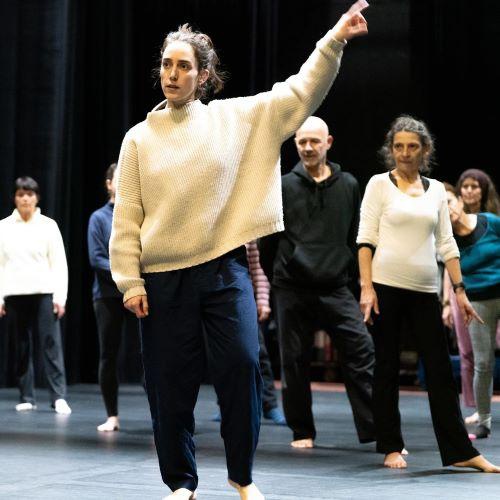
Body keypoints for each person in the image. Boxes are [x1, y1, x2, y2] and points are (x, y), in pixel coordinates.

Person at [109, 4, 370, 499]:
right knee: (168, 384)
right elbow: (127, 217)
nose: (172, 74)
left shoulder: (233, 119)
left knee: (244, 363)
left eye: (184, 66)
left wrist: (334, 40)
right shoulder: (138, 139)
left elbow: (298, 93)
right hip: (162, 279)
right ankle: (181, 482)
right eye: (166, 64)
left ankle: (242, 476)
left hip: (223, 270)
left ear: (203, 76)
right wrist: (129, 281)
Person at [357, 114, 499, 472]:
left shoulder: (436, 190)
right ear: (391, 150)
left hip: (424, 290)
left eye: (412, 147)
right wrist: (367, 287)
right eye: (399, 146)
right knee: (386, 367)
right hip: (386, 287)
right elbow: (365, 239)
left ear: (425, 150)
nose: (405, 153)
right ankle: (390, 445)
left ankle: (461, 451)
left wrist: (460, 291)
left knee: (439, 371)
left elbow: (447, 243)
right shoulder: (378, 184)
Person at [264, 116, 374, 449]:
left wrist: (354, 276)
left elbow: (356, 234)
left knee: (362, 350)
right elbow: (270, 238)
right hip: (293, 286)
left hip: (335, 284)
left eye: (314, 141)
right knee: (294, 360)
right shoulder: (283, 186)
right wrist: (282, 272)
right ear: (295, 144)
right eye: (302, 142)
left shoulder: (349, 184)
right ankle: (302, 431)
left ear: (328, 142)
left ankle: (375, 429)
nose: (308, 147)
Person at [0, 176, 71, 415]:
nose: (25, 199)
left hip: (43, 293)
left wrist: (60, 297)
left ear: (37, 197)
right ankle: (26, 396)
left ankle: (58, 396)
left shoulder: (48, 226)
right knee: (21, 346)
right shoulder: (4, 227)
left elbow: (58, 263)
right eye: (20, 194)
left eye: (29, 194)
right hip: (14, 294)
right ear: (15, 198)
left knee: (51, 345)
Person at [442, 169, 500, 425]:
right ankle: (481, 413)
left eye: (449, 202)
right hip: (475, 299)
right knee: (478, 358)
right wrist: (448, 301)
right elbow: (451, 273)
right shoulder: (447, 240)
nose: (448, 209)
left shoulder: (490, 221)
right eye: (441, 207)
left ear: (458, 200)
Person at [88, 163, 141, 432]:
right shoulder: (99, 218)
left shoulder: (139, 216)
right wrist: (127, 275)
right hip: (108, 296)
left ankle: (162, 413)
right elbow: (97, 259)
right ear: (109, 184)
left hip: (140, 291)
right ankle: (112, 416)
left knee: (152, 352)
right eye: (119, 179)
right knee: (109, 355)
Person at [213, 241, 286, 426]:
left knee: (257, 353)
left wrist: (262, 301)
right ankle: (225, 405)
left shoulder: (246, 232)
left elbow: (257, 266)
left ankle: (269, 405)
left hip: (242, 298)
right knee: (222, 358)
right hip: (215, 298)